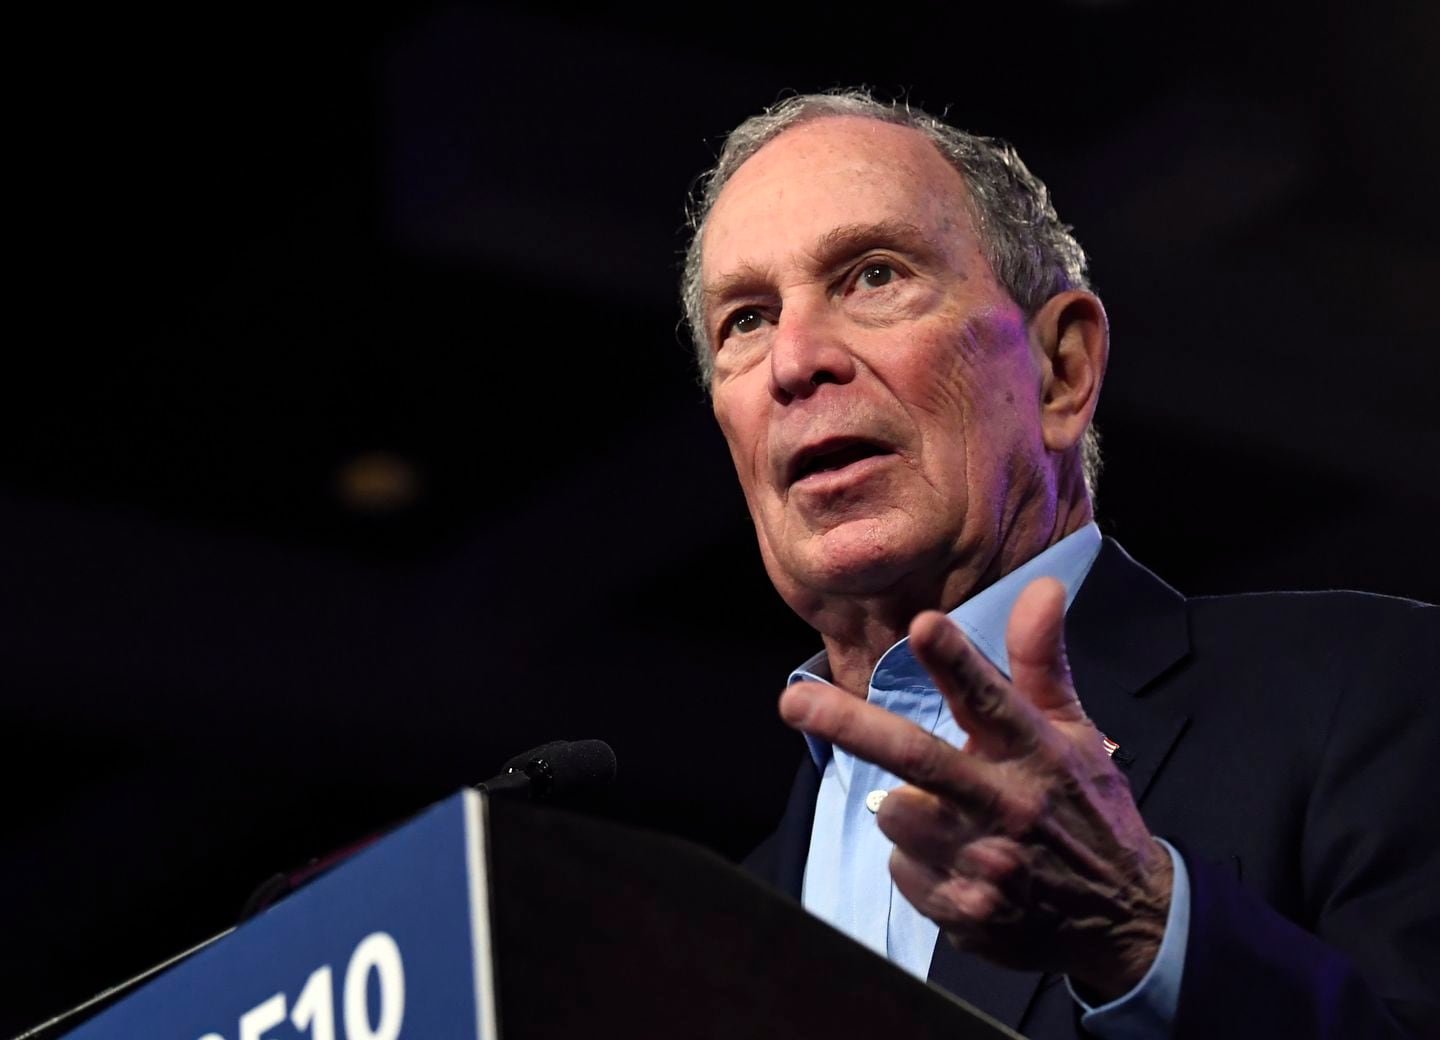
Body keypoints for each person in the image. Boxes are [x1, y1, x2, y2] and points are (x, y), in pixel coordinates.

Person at [680, 90, 1438, 1039]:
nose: (794, 361)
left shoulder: (1369, 691)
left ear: (1061, 369)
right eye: (746, 320)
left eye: (873, 275)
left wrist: (1143, 931)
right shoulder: (699, 932)